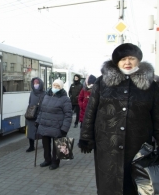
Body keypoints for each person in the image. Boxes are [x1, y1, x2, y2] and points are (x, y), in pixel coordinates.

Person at [78, 43, 159, 195]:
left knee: (134, 186)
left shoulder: (151, 86)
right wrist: (86, 137)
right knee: (108, 185)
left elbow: (157, 116)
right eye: (123, 59)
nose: (127, 62)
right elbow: (91, 111)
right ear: (116, 62)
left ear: (138, 60)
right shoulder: (102, 82)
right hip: (107, 146)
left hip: (138, 148)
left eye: (131, 58)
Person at [35, 79, 72, 170]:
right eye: (54, 85)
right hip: (44, 125)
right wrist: (38, 121)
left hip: (57, 126)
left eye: (58, 86)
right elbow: (42, 110)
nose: (55, 87)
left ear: (61, 87)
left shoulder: (65, 99)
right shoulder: (46, 96)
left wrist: (65, 128)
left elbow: (68, 115)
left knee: (57, 146)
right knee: (45, 145)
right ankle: (47, 160)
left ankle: (55, 162)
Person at [25, 77, 45, 152]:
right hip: (32, 114)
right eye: (34, 83)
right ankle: (31, 146)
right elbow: (30, 103)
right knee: (31, 130)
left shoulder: (44, 93)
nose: (36, 85)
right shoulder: (32, 93)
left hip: (40, 114)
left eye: (37, 83)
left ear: (40, 84)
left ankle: (44, 144)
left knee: (42, 130)